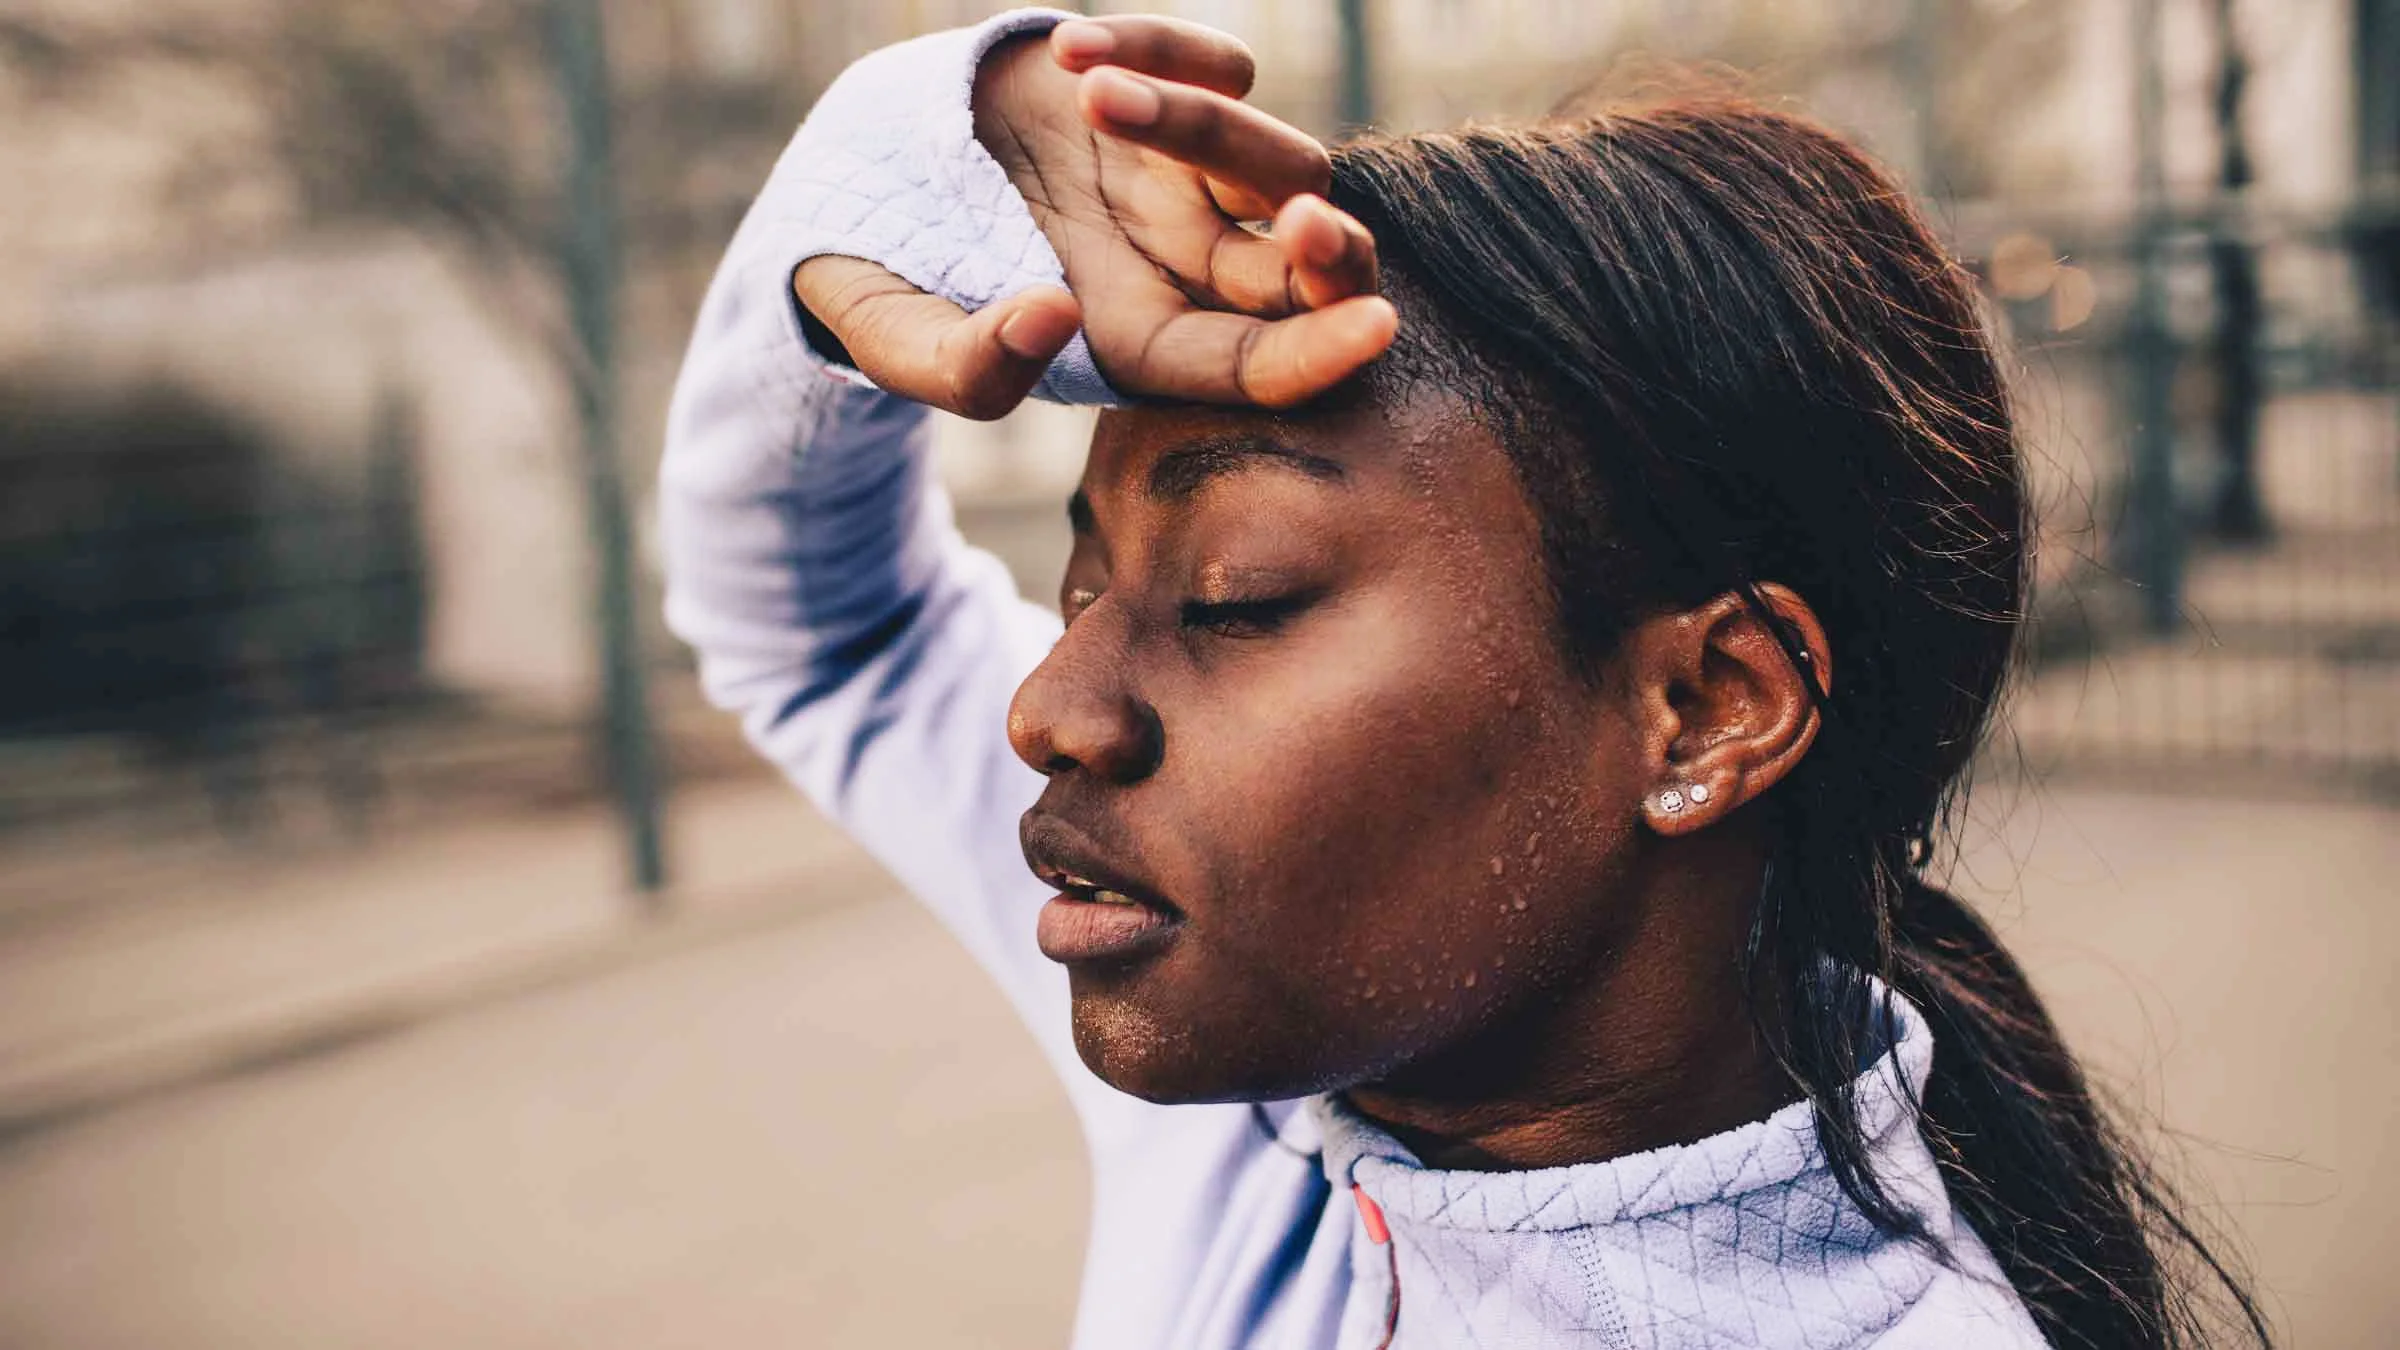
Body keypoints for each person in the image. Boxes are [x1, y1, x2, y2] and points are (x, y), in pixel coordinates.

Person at [659, 9, 2267, 1347]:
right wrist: (930, 160)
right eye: (1084, 577)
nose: (1053, 707)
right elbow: (830, 630)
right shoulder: (1262, 1094)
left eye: (1235, 594)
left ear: (1708, 705)